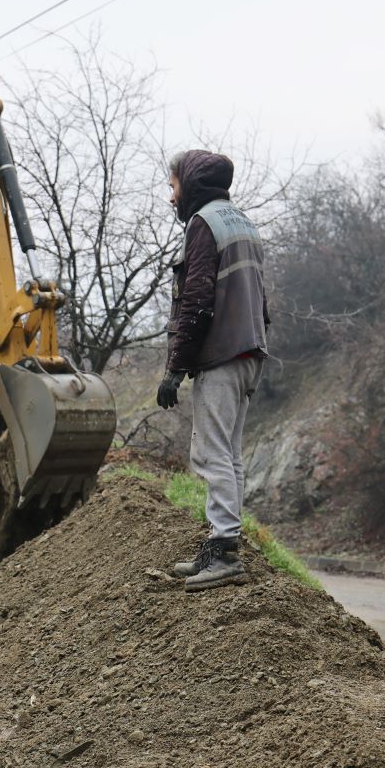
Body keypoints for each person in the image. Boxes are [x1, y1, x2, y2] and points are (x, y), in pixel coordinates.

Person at [154, 150, 270, 592]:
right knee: (231, 455)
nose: (171, 197)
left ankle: (224, 553)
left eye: (173, 186)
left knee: (211, 454)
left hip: (223, 354)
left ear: (191, 182)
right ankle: (224, 543)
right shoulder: (241, 222)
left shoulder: (204, 224)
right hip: (250, 350)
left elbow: (197, 299)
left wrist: (175, 369)